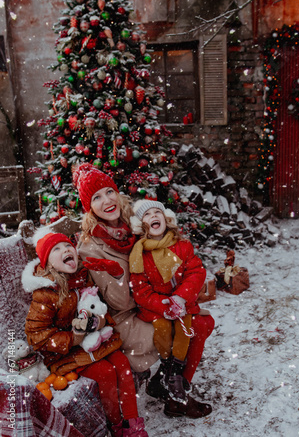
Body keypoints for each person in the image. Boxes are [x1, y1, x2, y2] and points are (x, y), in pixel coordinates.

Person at [74, 163, 214, 418]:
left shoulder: (134, 221)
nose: (106, 200)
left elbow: (167, 249)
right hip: (126, 316)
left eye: (109, 191)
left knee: (204, 322)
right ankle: (174, 394)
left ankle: (168, 384)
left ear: (117, 193)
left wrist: (178, 289)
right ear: (89, 208)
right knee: (192, 328)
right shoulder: (90, 248)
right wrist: (116, 275)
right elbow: (119, 303)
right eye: (96, 197)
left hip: (152, 301)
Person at [22, 229, 148, 437]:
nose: (65, 250)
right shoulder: (46, 293)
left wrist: (98, 321)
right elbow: (36, 335)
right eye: (56, 249)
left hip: (96, 341)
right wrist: (73, 338)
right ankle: (116, 426)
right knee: (105, 373)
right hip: (66, 354)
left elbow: (98, 306)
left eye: (67, 246)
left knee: (122, 364)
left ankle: (133, 425)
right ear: (48, 263)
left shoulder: (82, 276)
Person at [128, 200, 208, 409]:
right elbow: (141, 290)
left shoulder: (182, 246)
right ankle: (167, 366)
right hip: (156, 307)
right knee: (162, 330)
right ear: (140, 224)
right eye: (147, 215)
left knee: (185, 331)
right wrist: (165, 306)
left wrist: (180, 298)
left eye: (158, 212)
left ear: (166, 218)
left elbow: (196, 272)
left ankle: (174, 375)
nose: (154, 216)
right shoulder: (139, 254)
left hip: (183, 304)